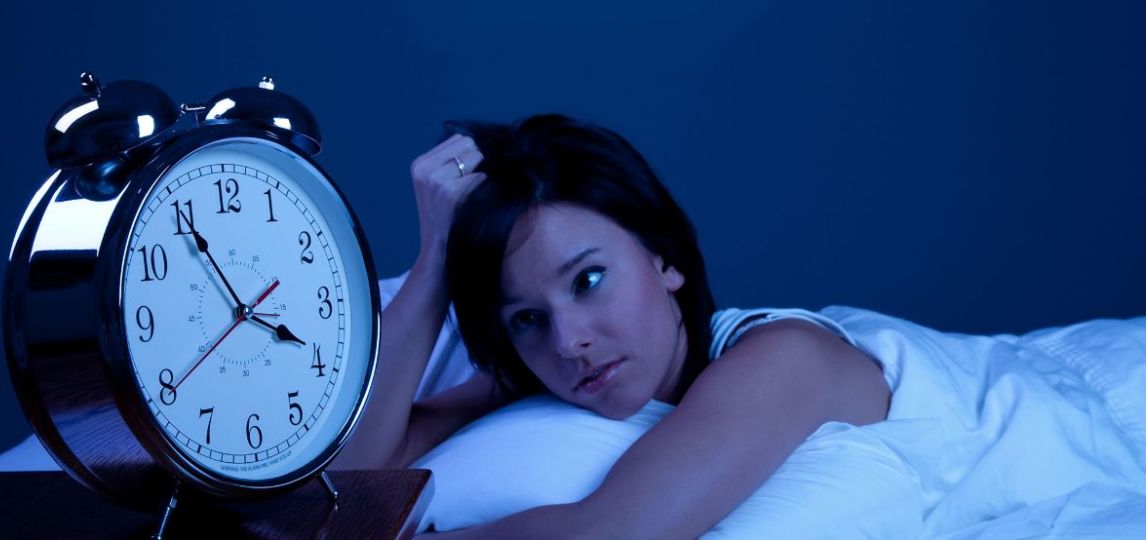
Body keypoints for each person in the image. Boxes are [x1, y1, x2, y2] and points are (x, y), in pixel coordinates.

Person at [336, 114, 891, 538]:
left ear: (663, 257)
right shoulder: (545, 367)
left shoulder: (786, 357)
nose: (568, 341)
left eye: (588, 280)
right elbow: (349, 478)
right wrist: (436, 260)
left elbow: (609, 534)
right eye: (527, 318)